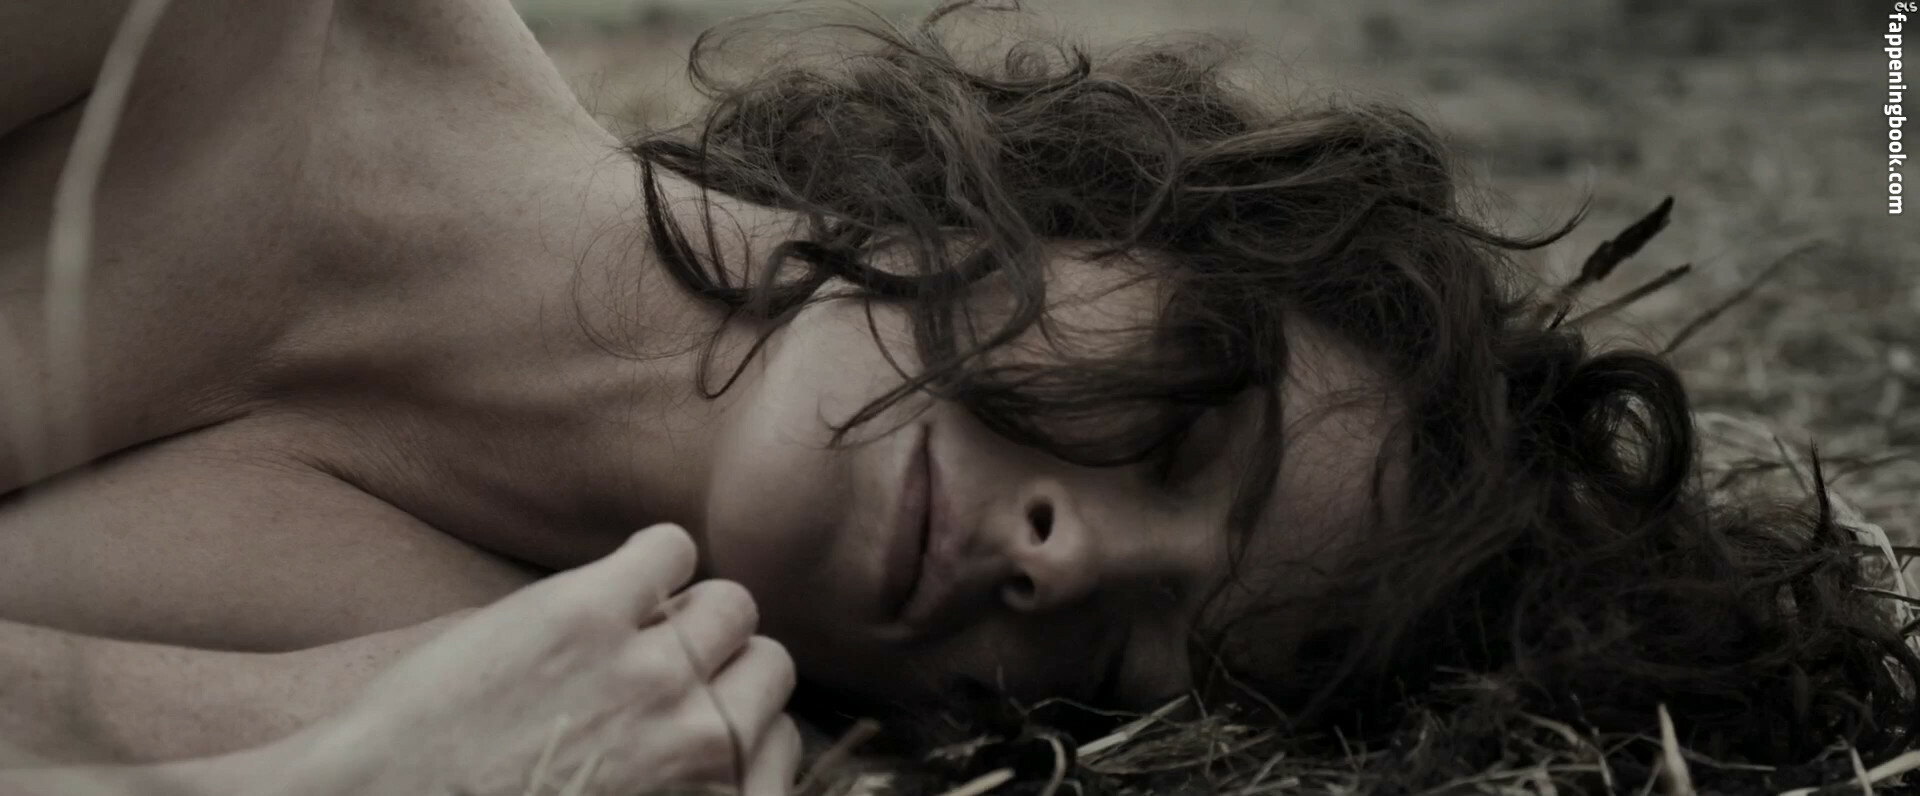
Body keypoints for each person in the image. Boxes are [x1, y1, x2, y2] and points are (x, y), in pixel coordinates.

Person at [0, 0, 1911, 793]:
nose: (1065, 558)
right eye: (1182, 427)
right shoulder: (244, 30)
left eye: (1133, 648)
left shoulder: (494, 670)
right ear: (1093, 205)